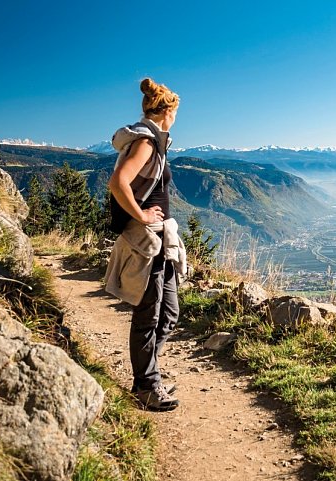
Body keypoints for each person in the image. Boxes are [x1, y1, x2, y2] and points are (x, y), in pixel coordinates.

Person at [104, 78, 186, 411]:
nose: (178, 116)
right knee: (149, 314)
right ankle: (147, 386)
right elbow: (117, 182)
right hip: (147, 241)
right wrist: (140, 214)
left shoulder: (153, 141)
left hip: (160, 239)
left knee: (168, 312)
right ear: (168, 110)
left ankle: (147, 375)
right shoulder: (146, 143)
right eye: (177, 111)